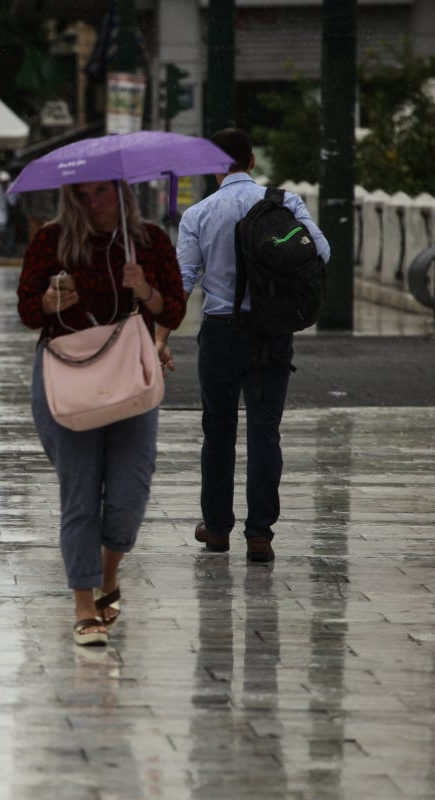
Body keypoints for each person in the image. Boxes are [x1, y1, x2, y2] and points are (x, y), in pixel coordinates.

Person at [17, 179, 186, 646]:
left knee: (130, 490)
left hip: (129, 371)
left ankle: (108, 572)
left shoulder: (147, 239)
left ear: (121, 191)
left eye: (102, 192)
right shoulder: (51, 240)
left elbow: (174, 305)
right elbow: (28, 310)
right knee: (80, 492)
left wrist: (144, 289)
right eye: (82, 194)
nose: (94, 202)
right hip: (66, 375)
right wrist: (48, 303)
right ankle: (83, 605)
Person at [164, 127, 330, 563]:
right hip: (273, 331)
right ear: (252, 161)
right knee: (264, 431)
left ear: (213, 166)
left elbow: (181, 283)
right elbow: (322, 252)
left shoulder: (197, 214)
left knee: (217, 432)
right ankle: (260, 534)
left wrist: (158, 336)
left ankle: (217, 529)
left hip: (220, 333)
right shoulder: (284, 203)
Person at [0, 170, 18, 256]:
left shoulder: (13, 187)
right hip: (1, 213)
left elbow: (13, 202)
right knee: (1, 233)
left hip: (11, 214)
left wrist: (7, 192)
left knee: (11, 232)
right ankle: (2, 250)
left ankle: (9, 251)